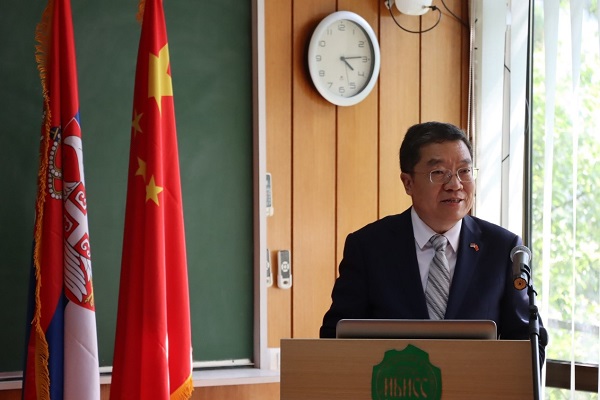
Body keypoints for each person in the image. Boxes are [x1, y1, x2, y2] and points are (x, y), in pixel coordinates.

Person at [319, 121, 545, 362]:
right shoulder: (368, 247)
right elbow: (336, 336)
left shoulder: (502, 248)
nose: (455, 185)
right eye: (438, 173)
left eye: (464, 171)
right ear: (408, 183)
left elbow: (528, 341)